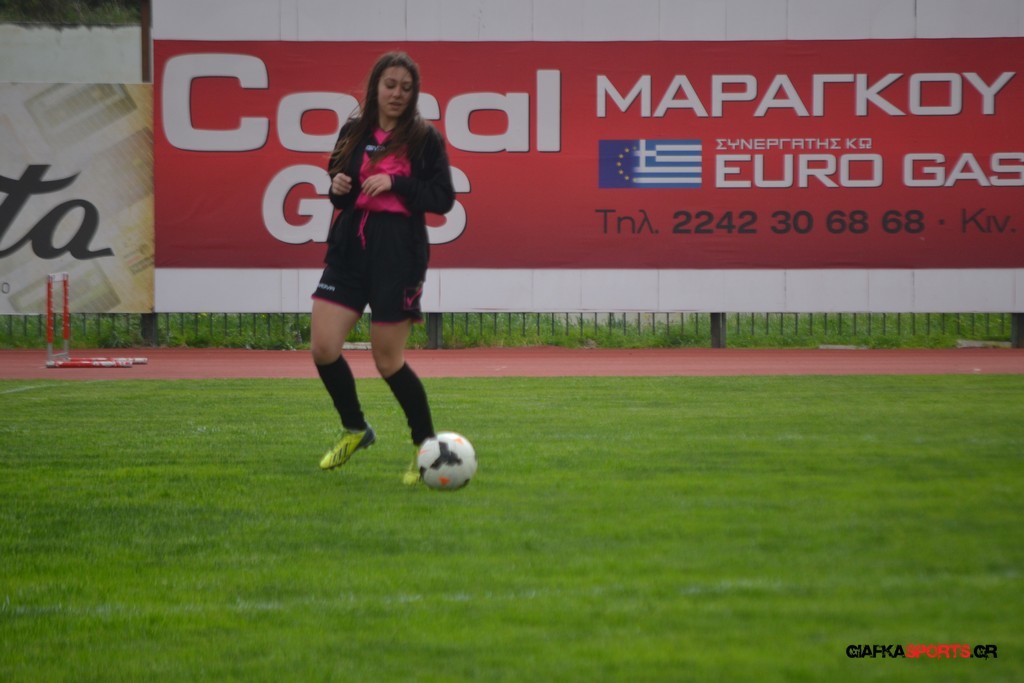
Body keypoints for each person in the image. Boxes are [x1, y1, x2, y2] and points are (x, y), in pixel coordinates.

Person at [311, 51, 455, 484]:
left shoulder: (424, 138)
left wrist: (396, 182)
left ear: (414, 94)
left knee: (387, 360)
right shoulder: (353, 132)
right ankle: (356, 429)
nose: (397, 94)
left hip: (399, 255)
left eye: (406, 88)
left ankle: (426, 449)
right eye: (390, 85)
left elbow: (442, 198)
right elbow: (339, 188)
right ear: (375, 86)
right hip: (349, 249)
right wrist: (337, 186)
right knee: (323, 348)